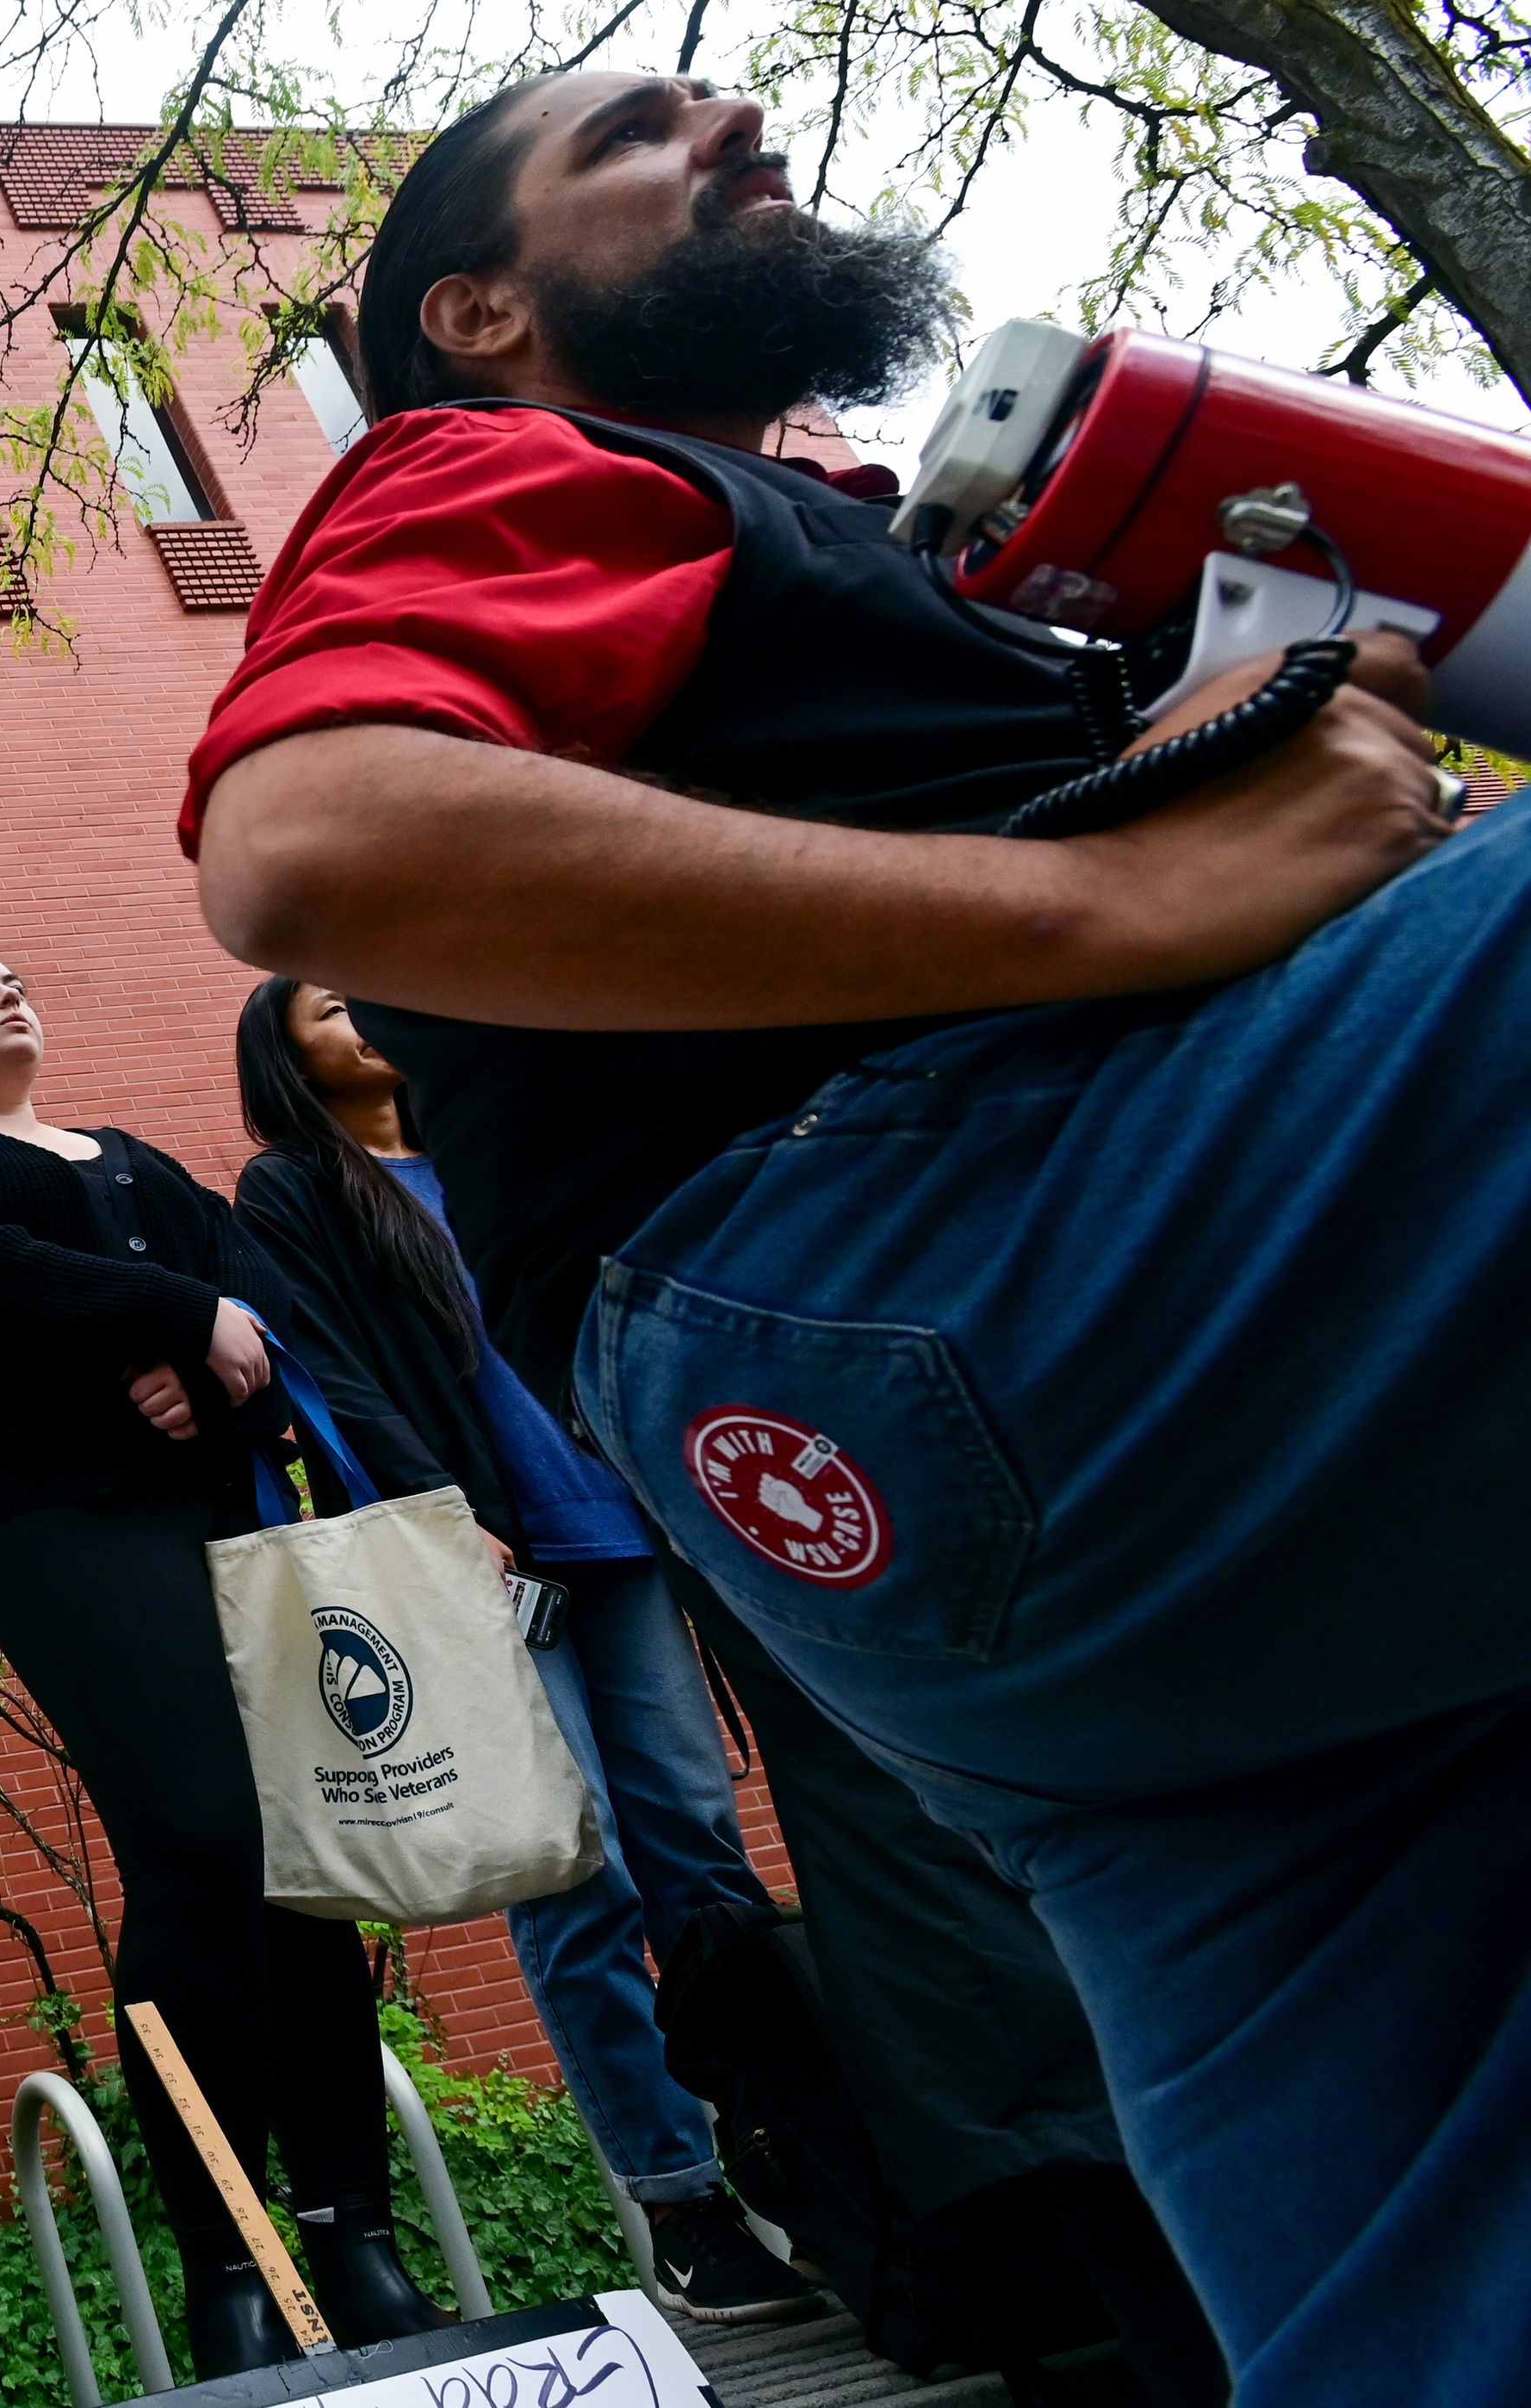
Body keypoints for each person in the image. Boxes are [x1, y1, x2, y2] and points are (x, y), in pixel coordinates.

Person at [180, 66, 1498, 2404]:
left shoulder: (874, 544)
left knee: (1438, 2239)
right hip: (952, 1263)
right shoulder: (509, 463)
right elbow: (311, 833)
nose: (738, 103)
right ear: (475, 307)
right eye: (635, 131)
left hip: (996, 1559)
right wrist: (1117, 884)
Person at [0, 948, 443, 2378]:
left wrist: (223, 1358)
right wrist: (169, 1323)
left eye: (22, 977)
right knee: (196, 1839)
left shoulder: (144, 1162)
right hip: (58, 1518)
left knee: (302, 1856)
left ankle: (355, 2233)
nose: (12, 995)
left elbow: (258, 1314)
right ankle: (231, 2259)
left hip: (224, 1513)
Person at [231, 976, 817, 2325]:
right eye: (329, 1004)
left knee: (700, 1852)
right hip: (483, 1552)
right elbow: (335, 1372)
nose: (366, 1015)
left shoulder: (490, 1149)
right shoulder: (294, 1191)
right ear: (285, 1051)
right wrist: (438, 1516)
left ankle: (798, 2157)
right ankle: (681, 2202)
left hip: (627, 1534)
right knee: (578, 1867)